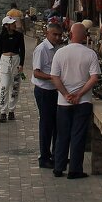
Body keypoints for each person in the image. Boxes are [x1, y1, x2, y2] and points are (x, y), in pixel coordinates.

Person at [50, 23, 100, 179]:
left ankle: (58, 167)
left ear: (70, 35)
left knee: (62, 135)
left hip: (63, 102)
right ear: (85, 36)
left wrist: (65, 94)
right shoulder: (90, 54)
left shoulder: (60, 53)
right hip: (83, 101)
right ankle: (75, 169)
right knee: (78, 135)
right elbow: (94, 78)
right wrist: (79, 94)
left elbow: (54, 77)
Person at [32, 21, 63, 169]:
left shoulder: (59, 48)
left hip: (55, 90)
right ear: (47, 34)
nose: (57, 38)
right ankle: (44, 157)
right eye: (54, 35)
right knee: (46, 124)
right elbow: (36, 73)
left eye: (59, 35)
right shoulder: (42, 49)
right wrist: (53, 77)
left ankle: (57, 155)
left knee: (57, 124)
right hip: (44, 90)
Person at [0, 16, 26, 122]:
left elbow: (22, 50)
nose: (14, 24)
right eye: (11, 23)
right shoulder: (1, 36)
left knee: (15, 86)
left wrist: (21, 64)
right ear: (6, 25)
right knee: (4, 86)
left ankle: (12, 110)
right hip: (4, 61)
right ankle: (3, 111)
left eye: (14, 22)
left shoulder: (19, 35)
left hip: (16, 60)